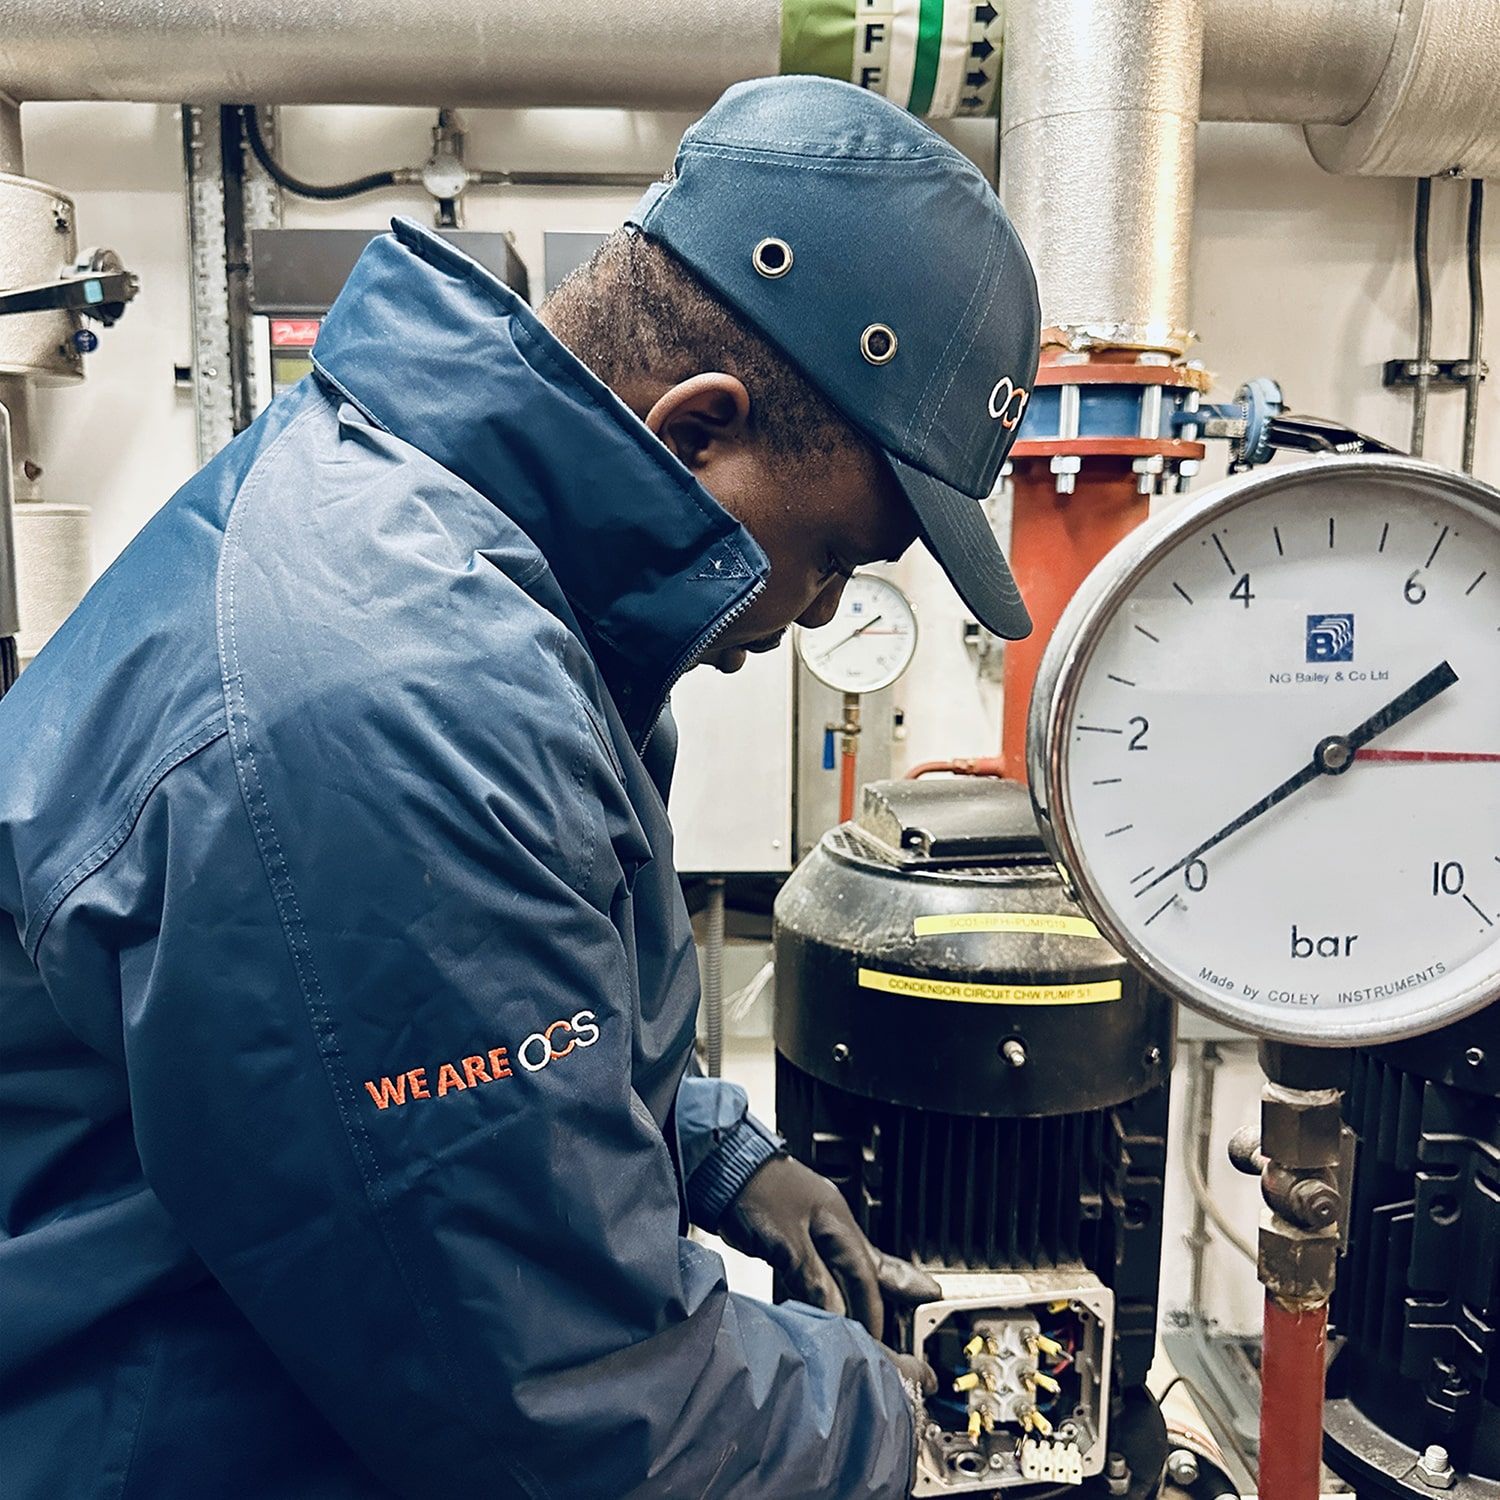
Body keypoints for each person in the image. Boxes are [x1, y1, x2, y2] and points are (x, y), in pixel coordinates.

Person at [0, 77, 1039, 1498]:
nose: (813, 614)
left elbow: (433, 1039)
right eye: (833, 560)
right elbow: (571, 1410)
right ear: (699, 431)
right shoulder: (399, 699)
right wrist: (895, 1423)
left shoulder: (471, 559)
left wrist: (713, 1151)